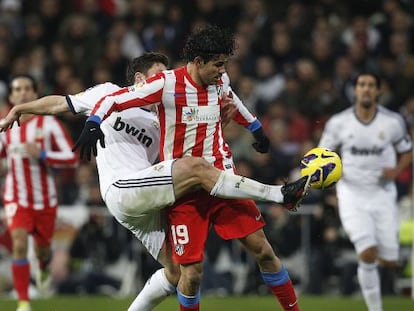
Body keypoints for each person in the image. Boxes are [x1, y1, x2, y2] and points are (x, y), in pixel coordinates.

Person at [0, 52, 310, 311]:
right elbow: (60, 104)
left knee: (178, 273)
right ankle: (278, 194)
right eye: (158, 74)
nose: (165, 81)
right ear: (138, 79)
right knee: (196, 169)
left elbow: (194, 144)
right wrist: (22, 109)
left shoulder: (167, 116)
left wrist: (221, 119)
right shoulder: (106, 93)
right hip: (122, 189)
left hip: (151, 195)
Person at [318, 72, 413, 311]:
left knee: (389, 260)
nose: (366, 89)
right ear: (355, 90)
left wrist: (397, 170)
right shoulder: (339, 123)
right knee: (367, 252)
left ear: (379, 91)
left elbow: (407, 150)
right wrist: (325, 181)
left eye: (371, 85)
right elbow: (322, 156)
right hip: (352, 195)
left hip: (383, 194)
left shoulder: (392, 122)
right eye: (362, 85)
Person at [0, 75, 79, 311]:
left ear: (35, 94)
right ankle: (24, 301)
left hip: (45, 200)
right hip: (16, 197)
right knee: (19, 243)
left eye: (27, 89)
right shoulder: (5, 125)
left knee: (42, 250)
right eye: (17, 89)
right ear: (12, 96)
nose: (22, 93)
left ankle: (43, 266)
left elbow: (71, 158)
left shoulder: (51, 125)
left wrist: (43, 154)